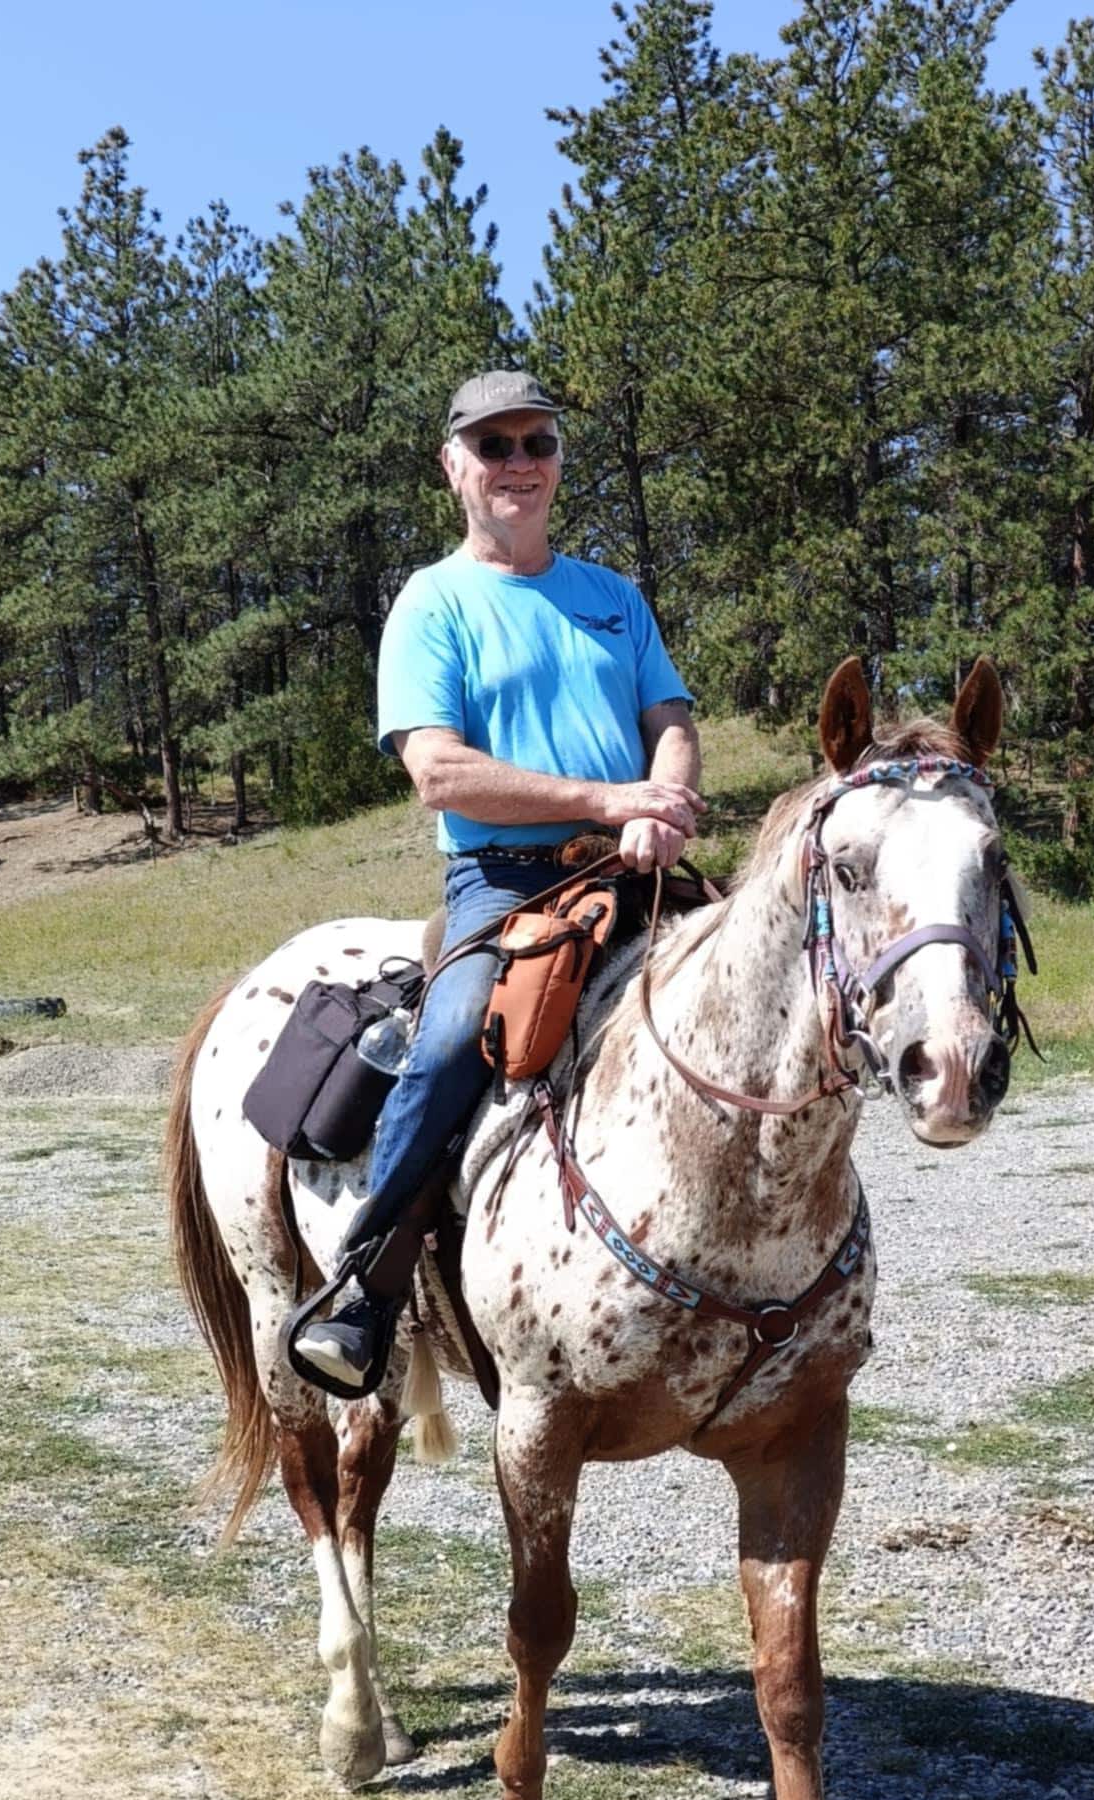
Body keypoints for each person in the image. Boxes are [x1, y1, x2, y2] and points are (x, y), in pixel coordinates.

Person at [294, 369, 703, 1391]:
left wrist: (664, 802)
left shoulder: (615, 599)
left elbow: (671, 721)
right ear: (453, 466)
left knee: (773, 988)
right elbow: (437, 770)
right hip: (502, 882)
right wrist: (611, 799)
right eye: (494, 445)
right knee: (449, 1040)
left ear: (558, 461)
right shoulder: (433, 602)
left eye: (537, 443)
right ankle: (365, 1288)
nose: (518, 462)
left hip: (637, 869)